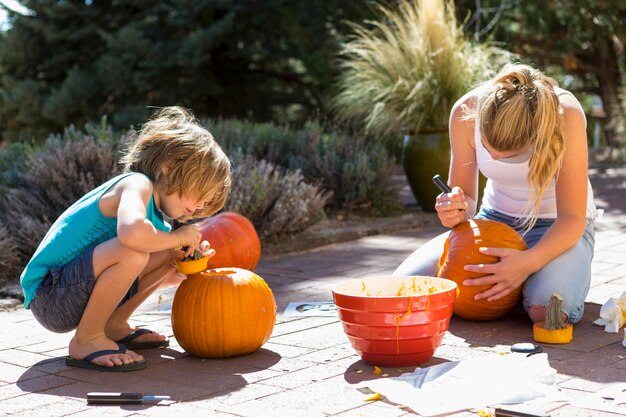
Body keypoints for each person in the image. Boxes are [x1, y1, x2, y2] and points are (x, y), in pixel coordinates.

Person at [20, 106, 232, 371]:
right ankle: (87, 339)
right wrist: (176, 237)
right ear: (168, 168)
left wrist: (184, 265)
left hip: (72, 290)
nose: (200, 206)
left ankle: (112, 326)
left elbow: (151, 270)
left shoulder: (159, 222)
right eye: (200, 193)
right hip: (50, 294)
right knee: (134, 249)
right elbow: (130, 235)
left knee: (167, 252)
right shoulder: (136, 184)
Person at [394, 63, 598, 325]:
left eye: (510, 154)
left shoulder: (565, 114)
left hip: (559, 226)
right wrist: (452, 209)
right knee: (403, 291)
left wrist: (527, 263)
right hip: (493, 222)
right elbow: (465, 202)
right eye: (488, 148)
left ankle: (530, 283)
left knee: (548, 311)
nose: (493, 158)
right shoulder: (465, 112)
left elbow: (572, 218)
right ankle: (516, 287)